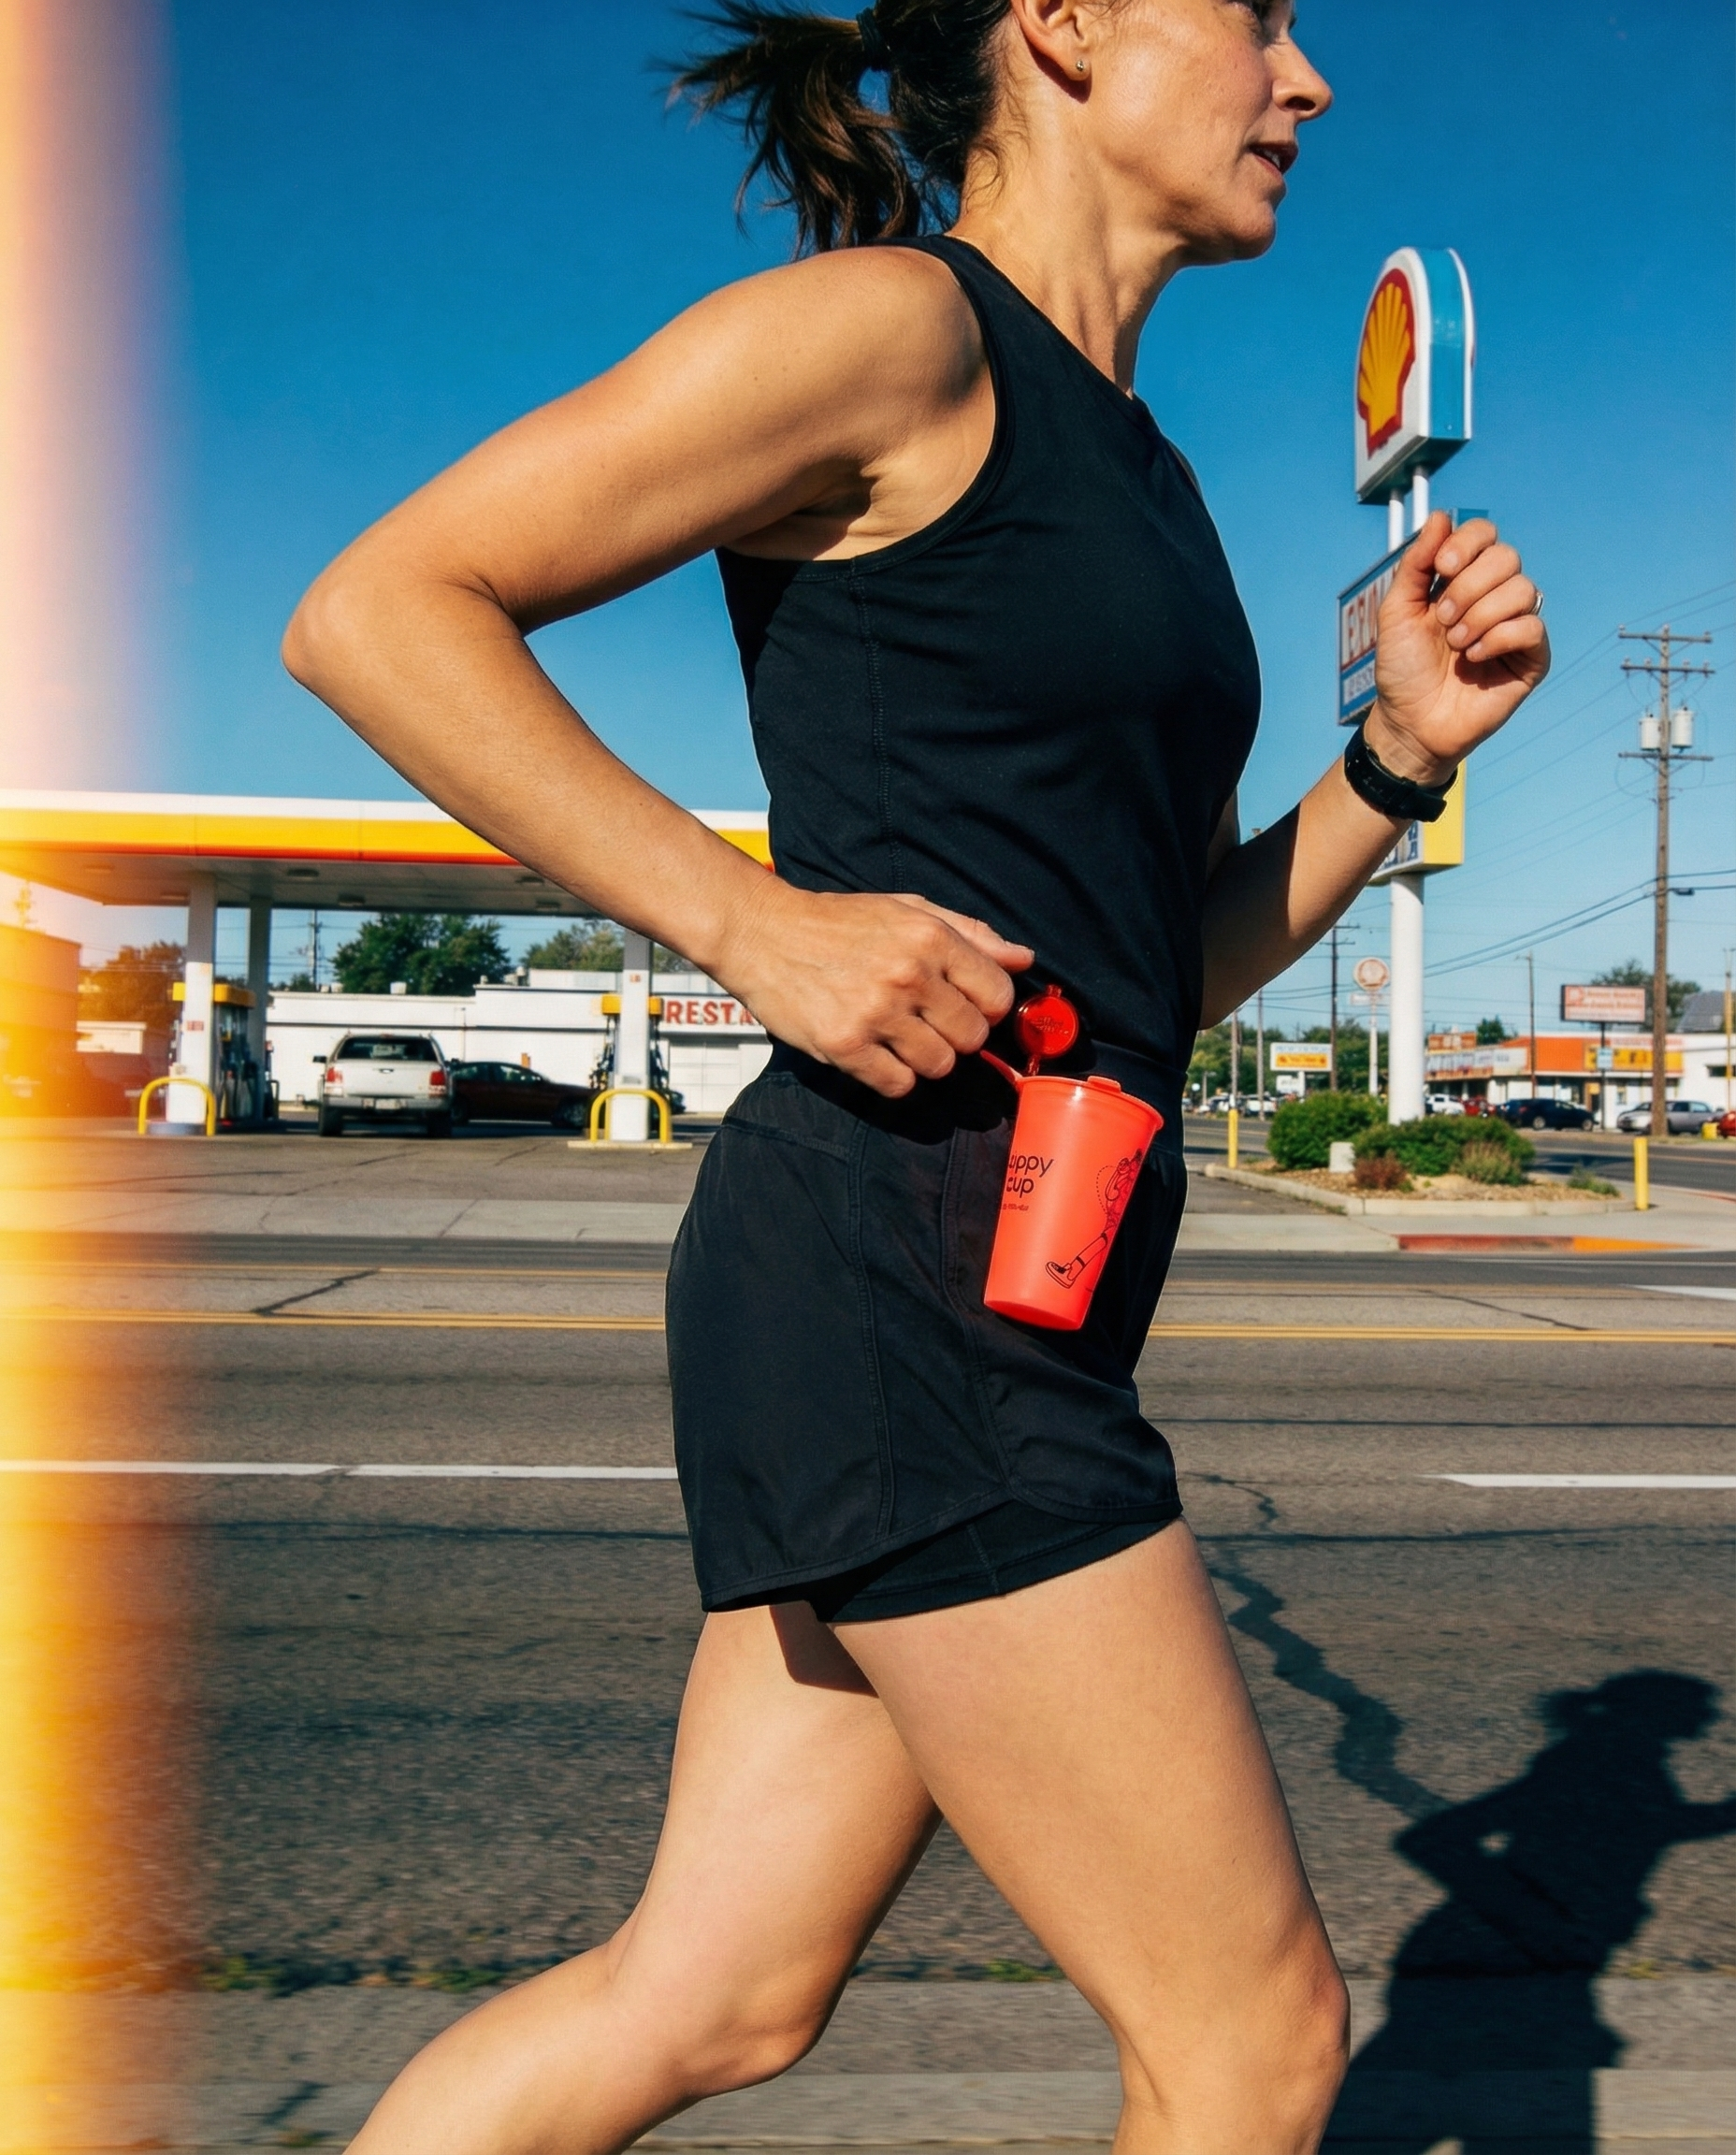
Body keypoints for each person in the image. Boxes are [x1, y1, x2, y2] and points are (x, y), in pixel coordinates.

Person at [283, 4, 1549, 2148]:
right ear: (1058, 23)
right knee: (1248, 2045)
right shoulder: (899, 334)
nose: (1305, 77)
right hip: (912, 1285)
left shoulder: (1129, 457)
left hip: (991, 1276)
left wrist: (1389, 760)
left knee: (711, 1999)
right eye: (1250, 17)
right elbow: (384, 609)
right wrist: (747, 922)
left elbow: (1150, 972)